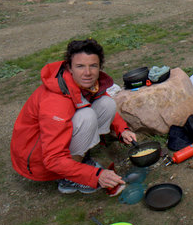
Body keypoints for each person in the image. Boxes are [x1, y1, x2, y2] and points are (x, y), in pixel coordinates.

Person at [10, 38, 136, 194]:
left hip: (54, 145)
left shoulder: (83, 84)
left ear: (100, 67)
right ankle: (68, 179)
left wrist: (122, 130)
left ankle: (79, 158)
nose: (88, 73)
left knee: (106, 103)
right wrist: (95, 175)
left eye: (93, 66)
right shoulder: (55, 102)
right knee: (86, 116)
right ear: (69, 67)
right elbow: (52, 159)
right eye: (80, 66)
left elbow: (99, 101)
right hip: (38, 159)